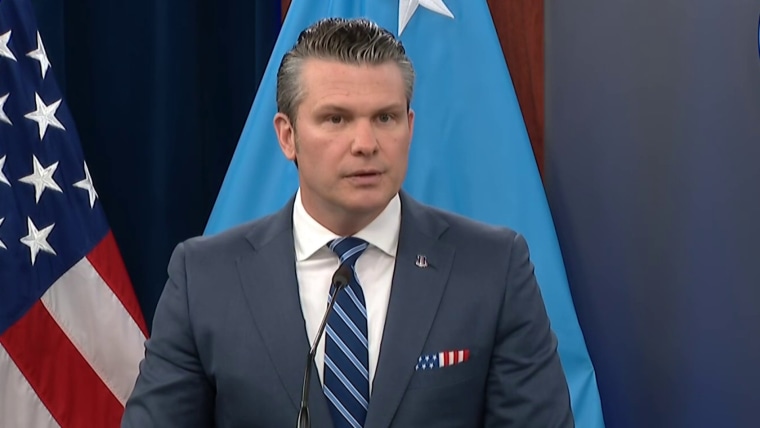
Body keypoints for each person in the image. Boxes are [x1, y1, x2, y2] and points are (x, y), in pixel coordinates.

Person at [122, 17, 574, 428]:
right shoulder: (205, 278)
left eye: (385, 118)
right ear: (287, 136)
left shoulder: (493, 268)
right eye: (336, 119)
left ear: (410, 127)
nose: (365, 143)